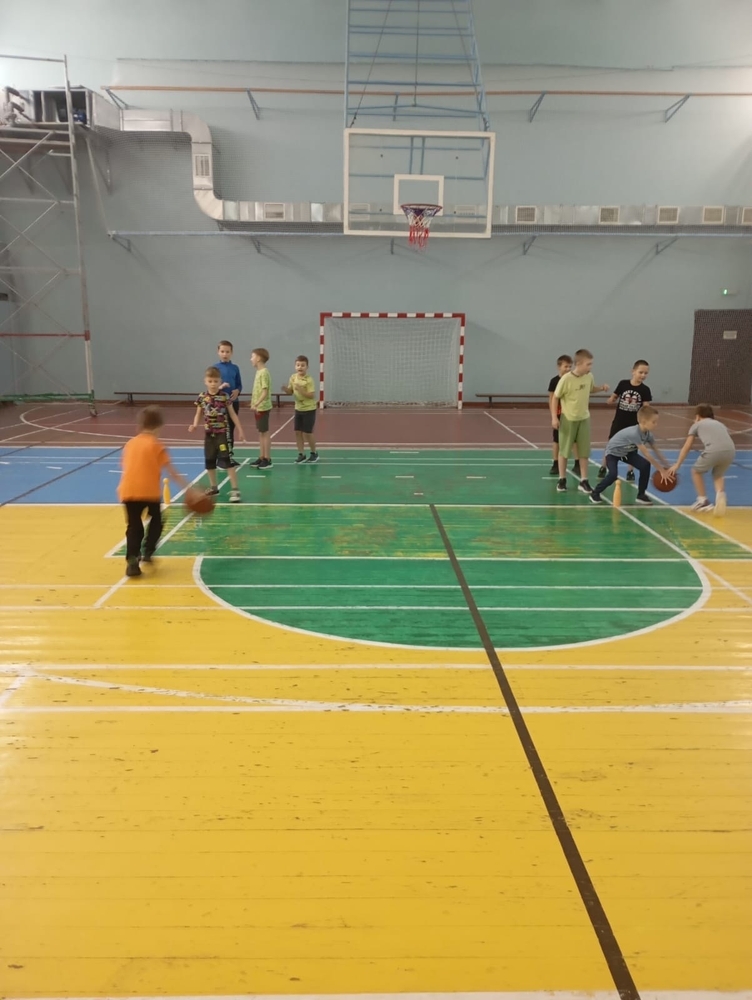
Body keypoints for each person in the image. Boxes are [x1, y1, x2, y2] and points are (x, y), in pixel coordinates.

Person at [118, 406, 189, 577]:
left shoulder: (130, 444)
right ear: (158, 427)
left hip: (128, 491)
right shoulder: (157, 445)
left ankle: (132, 561)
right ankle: (148, 551)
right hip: (149, 492)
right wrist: (190, 490)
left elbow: (126, 467)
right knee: (156, 520)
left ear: (140, 425)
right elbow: (172, 472)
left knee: (134, 527)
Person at [551, 348, 609, 494]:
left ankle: (584, 481)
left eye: (591, 364)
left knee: (584, 451)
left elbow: (591, 389)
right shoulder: (566, 379)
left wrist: (601, 388)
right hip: (568, 419)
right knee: (564, 451)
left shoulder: (589, 377)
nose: (590, 367)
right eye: (588, 364)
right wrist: (554, 417)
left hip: (584, 419)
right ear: (579, 364)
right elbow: (555, 397)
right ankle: (562, 479)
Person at [589, 404, 672, 506]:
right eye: (654, 422)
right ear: (644, 422)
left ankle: (641, 495)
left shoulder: (648, 435)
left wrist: (668, 466)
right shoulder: (634, 433)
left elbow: (656, 451)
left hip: (626, 452)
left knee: (645, 465)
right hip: (612, 452)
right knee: (613, 475)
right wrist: (661, 470)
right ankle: (595, 493)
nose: (656, 424)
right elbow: (647, 454)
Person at [188, 366, 245, 501]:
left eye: (215, 381)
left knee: (227, 461)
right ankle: (214, 487)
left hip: (222, 434)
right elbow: (198, 413)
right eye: (210, 381)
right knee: (209, 462)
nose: (213, 384)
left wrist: (240, 429)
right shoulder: (202, 397)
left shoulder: (224, 396)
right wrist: (194, 425)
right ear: (205, 381)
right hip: (209, 435)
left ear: (220, 382)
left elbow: (232, 414)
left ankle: (235, 490)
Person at [669, 404, 736, 515]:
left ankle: (702, 500)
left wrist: (677, 464)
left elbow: (687, 446)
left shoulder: (696, 425)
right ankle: (720, 494)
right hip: (731, 451)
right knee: (718, 474)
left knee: (696, 471)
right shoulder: (720, 424)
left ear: (697, 416)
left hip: (714, 450)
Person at [597, 359, 652, 482]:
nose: (643, 375)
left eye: (646, 373)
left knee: (632, 447)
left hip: (634, 424)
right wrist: (610, 400)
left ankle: (630, 471)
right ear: (633, 371)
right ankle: (603, 466)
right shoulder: (623, 384)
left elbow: (646, 408)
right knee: (611, 444)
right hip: (619, 421)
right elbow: (614, 396)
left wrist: (646, 419)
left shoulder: (645, 390)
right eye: (641, 372)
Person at [281, 354, 319, 463]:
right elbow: (290, 392)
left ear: (307, 367)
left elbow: (311, 395)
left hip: (309, 409)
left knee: (307, 433)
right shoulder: (293, 377)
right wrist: (286, 389)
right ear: (295, 366)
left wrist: (301, 390)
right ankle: (301, 454)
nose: (300, 367)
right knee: (298, 432)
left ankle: (314, 453)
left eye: (303, 365)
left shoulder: (309, 380)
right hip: (298, 409)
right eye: (298, 365)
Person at [547, 354, 578, 474]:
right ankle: (555, 464)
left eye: (570, 366)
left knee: (574, 439)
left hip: (571, 414)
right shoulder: (554, 381)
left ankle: (577, 463)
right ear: (559, 367)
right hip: (559, 414)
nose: (568, 369)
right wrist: (553, 417)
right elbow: (551, 399)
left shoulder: (573, 379)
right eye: (566, 366)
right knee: (557, 440)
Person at [214, 339, 242, 464]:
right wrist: (220, 387)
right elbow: (211, 387)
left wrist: (237, 391)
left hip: (233, 403)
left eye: (227, 352)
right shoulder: (215, 368)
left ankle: (229, 456)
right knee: (220, 431)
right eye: (222, 351)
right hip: (219, 404)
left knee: (230, 429)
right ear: (218, 352)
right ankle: (220, 457)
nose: (225, 354)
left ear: (231, 353)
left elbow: (239, 384)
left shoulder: (235, 368)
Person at [250, 348, 273, 469]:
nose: (251, 359)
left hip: (263, 407)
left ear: (258, 358)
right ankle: (262, 456)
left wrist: (257, 403)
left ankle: (267, 459)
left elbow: (265, 391)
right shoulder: (259, 372)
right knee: (261, 432)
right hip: (259, 408)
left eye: (252, 357)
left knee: (265, 432)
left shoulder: (264, 372)